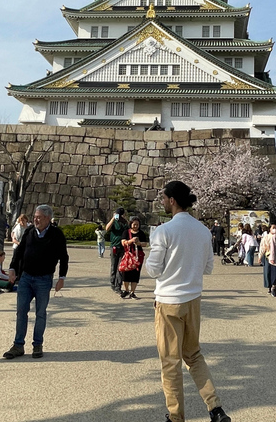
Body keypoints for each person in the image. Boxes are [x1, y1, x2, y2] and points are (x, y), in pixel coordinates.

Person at [145, 181, 231, 422]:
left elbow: (153, 270)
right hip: (193, 299)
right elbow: (208, 267)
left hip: (168, 300)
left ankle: (175, 416)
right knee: (193, 356)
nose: (162, 201)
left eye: (163, 197)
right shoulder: (203, 230)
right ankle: (215, 408)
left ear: (172, 200)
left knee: (170, 362)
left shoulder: (164, 231)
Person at [4, 204, 68, 360]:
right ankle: (18, 345)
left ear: (47, 218)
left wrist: (61, 278)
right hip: (26, 278)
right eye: (35, 217)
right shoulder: (29, 232)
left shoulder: (56, 234)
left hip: (44, 279)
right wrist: (12, 268)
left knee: (40, 313)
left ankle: (37, 344)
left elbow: (64, 257)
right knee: (21, 312)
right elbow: (18, 252)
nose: (35, 219)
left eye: (38, 217)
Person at [120, 216, 147, 299]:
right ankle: (126, 290)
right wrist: (130, 241)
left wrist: (139, 243)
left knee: (135, 274)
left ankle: (133, 292)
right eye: (134, 224)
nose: (135, 226)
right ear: (131, 224)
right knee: (126, 273)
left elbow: (145, 244)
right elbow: (123, 242)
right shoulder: (126, 232)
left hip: (138, 256)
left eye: (137, 224)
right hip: (128, 255)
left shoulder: (141, 233)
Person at [105, 207, 128, 293]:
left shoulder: (125, 223)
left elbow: (127, 232)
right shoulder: (114, 222)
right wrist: (113, 218)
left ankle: (118, 286)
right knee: (113, 266)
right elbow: (107, 228)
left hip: (122, 247)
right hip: (114, 246)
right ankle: (112, 283)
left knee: (120, 268)